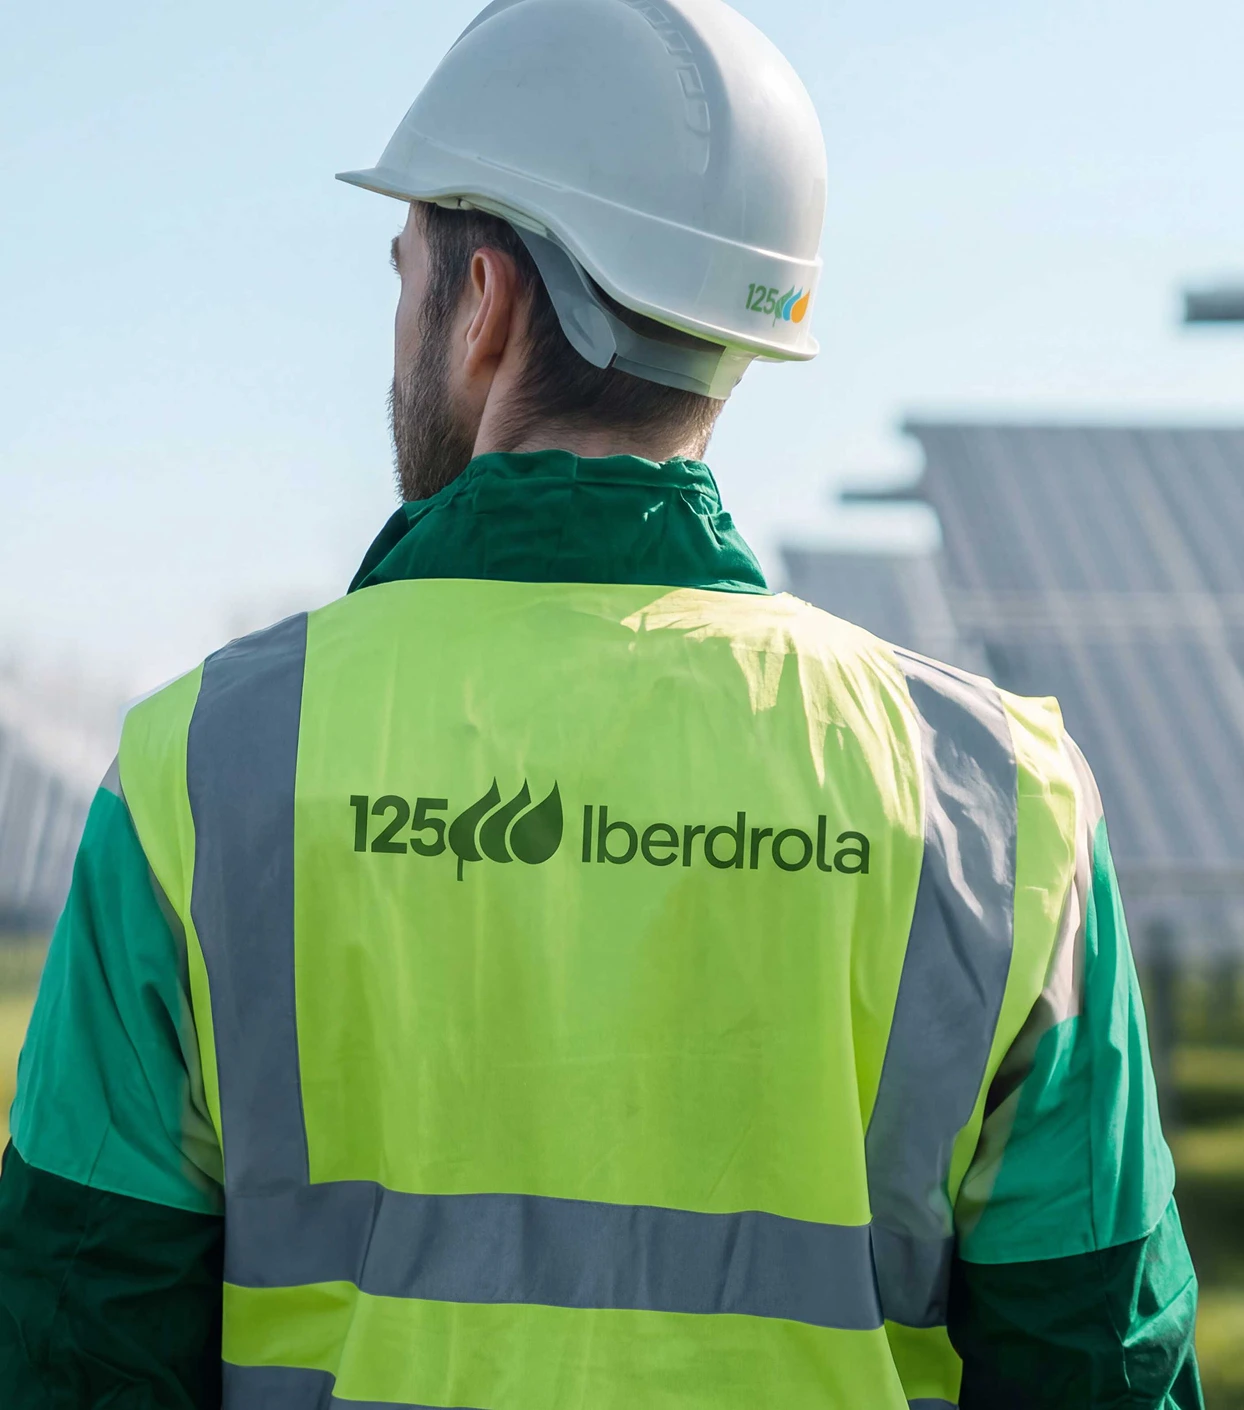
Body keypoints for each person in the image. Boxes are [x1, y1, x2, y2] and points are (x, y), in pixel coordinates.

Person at [0, 0, 1203, 1405]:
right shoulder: (1004, 806)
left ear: (484, 303)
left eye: (406, 272)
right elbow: (1100, 1361)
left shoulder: (203, 769)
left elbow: (78, 1348)